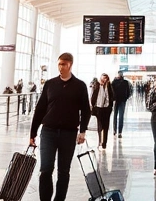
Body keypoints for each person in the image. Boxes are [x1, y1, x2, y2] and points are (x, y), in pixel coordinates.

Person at [30, 53, 91, 201]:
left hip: (69, 134)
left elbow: (86, 110)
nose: (61, 67)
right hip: (48, 132)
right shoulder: (50, 84)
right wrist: (32, 133)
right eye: (59, 64)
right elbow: (40, 109)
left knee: (63, 172)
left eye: (63, 64)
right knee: (45, 169)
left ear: (70, 65)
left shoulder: (80, 86)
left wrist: (82, 131)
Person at [90, 73, 114, 149]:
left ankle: (104, 143)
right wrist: (93, 106)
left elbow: (112, 96)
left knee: (106, 126)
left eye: (105, 78)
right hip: (98, 108)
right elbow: (92, 96)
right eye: (102, 78)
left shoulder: (109, 86)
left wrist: (110, 106)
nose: (103, 80)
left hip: (107, 108)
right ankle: (100, 141)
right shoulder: (97, 86)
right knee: (100, 125)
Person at [111, 71, 131, 139]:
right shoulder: (114, 82)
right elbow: (111, 90)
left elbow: (128, 91)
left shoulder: (125, 82)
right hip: (116, 101)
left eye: (120, 74)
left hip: (122, 101)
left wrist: (126, 98)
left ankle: (119, 131)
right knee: (115, 116)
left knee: (121, 116)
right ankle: (114, 130)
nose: (120, 75)